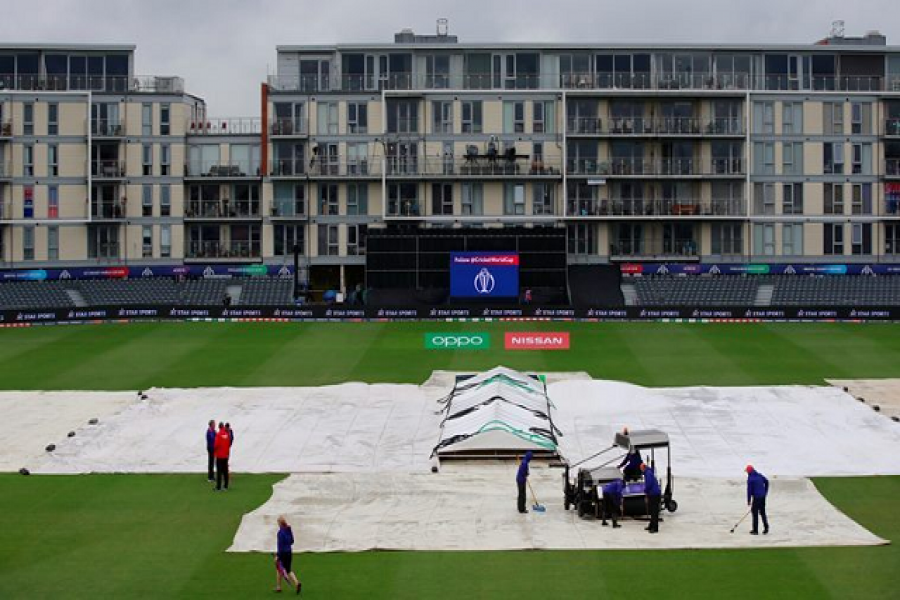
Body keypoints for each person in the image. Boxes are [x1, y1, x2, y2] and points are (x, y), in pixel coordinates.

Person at [274, 516, 302, 594]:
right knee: (288, 569)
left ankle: (279, 587)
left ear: (279, 523)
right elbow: (292, 541)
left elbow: (280, 545)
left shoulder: (280, 533)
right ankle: (296, 582)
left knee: (279, 569)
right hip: (289, 552)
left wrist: (277, 556)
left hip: (282, 553)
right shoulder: (288, 530)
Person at [746, 465, 770, 535]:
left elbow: (749, 491)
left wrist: (749, 500)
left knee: (754, 513)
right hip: (762, 497)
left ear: (749, 471)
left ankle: (755, 530)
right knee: (762, 512)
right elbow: (767, 482)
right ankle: (766, 528)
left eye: (747, 471)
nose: (747, 473)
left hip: (757, 498)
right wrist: (765, 492)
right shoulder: (759, 475)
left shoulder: (750, 479)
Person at [641, 462, 661, 533]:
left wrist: (645, 490)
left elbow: (649, 484)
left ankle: (655, 528)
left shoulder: (648, 473)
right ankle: (651, 525)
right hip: (652, 494)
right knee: (652, 511)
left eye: (641, 469)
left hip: (654, 494)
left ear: (643, 468)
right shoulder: (648, 472)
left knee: (654, 511)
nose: (641, 471)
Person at [213, 422, 231, 491]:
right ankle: (226, 486)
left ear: (219, 427)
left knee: (219, 472)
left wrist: (215, 451)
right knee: (225, 471)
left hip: (219, 456)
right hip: (225, 455)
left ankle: (218, 487)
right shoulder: (227, 434)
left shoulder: (219, 434)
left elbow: (216, 445)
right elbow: (228, 444)